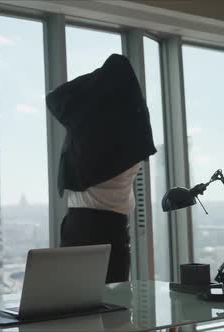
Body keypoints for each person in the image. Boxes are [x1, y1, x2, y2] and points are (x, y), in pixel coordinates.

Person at [45, 54, 156, 283]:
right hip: (114, 232)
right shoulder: (132, 143)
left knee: (73, 308)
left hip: (80, 228)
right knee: (113, 310)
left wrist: (94, 83)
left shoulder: (85, 141)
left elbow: (58, 98)